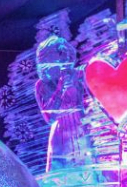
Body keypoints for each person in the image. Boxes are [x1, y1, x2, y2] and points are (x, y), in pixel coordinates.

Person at [34, 35, 89, 172]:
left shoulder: (79, 74)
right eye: (57, 54)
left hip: (82, 128)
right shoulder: (41, 85)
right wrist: (60, 86)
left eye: (64, 53)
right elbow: (49, 118)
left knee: (88, 172)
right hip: (60, 133)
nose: (62, 58)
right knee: (62, 175)